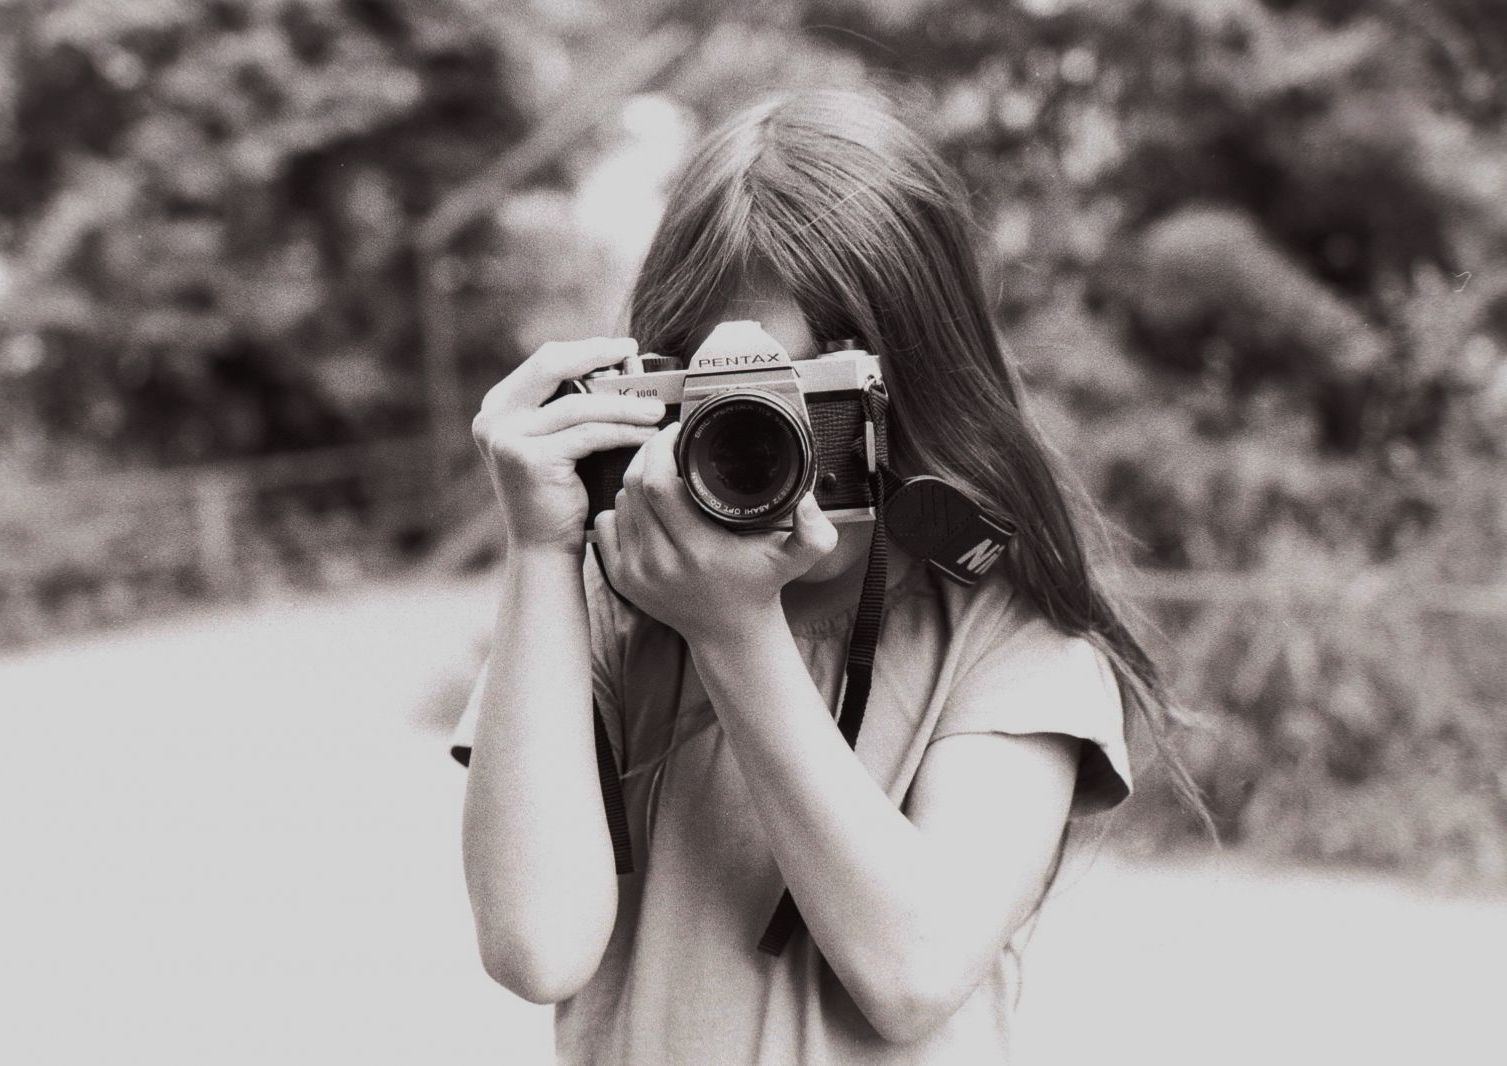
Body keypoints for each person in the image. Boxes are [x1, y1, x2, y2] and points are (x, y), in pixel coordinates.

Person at [453, 88, 1204, 1064]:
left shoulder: (1008, 635)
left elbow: (913, 973)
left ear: (905, 391)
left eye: (798, 399)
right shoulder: (612, 599)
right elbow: (536, 947)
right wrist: (541, 551)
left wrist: (733, 631)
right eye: (716, 404)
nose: (755, 447)